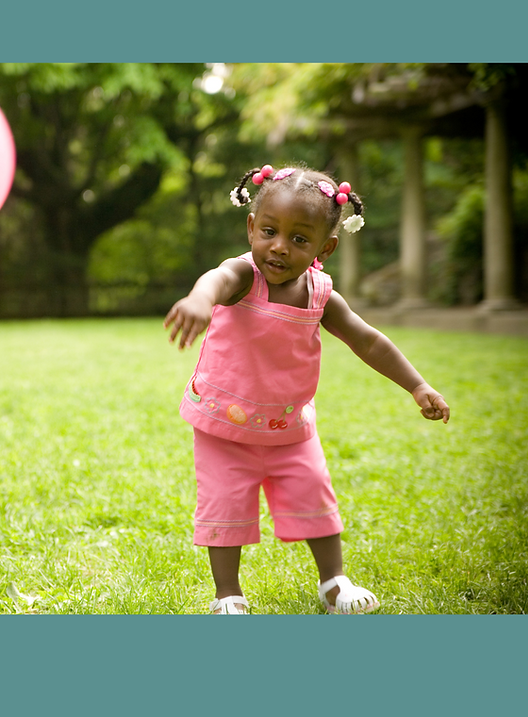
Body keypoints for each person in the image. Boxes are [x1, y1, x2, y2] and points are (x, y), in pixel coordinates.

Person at [164, 164, 450, 614]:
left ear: (325, 247)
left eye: (299, 239)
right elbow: (216, 279)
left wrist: (417, 385)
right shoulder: (243, 277)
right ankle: (228, 596)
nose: (279, 246)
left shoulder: (321, 295)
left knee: (314, 493)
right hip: (224, 426)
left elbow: (368, 341)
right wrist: (199, 300)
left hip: (290, 428)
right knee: (224, 505)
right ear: (251, 227)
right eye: (269, 231)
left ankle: (334, 582)